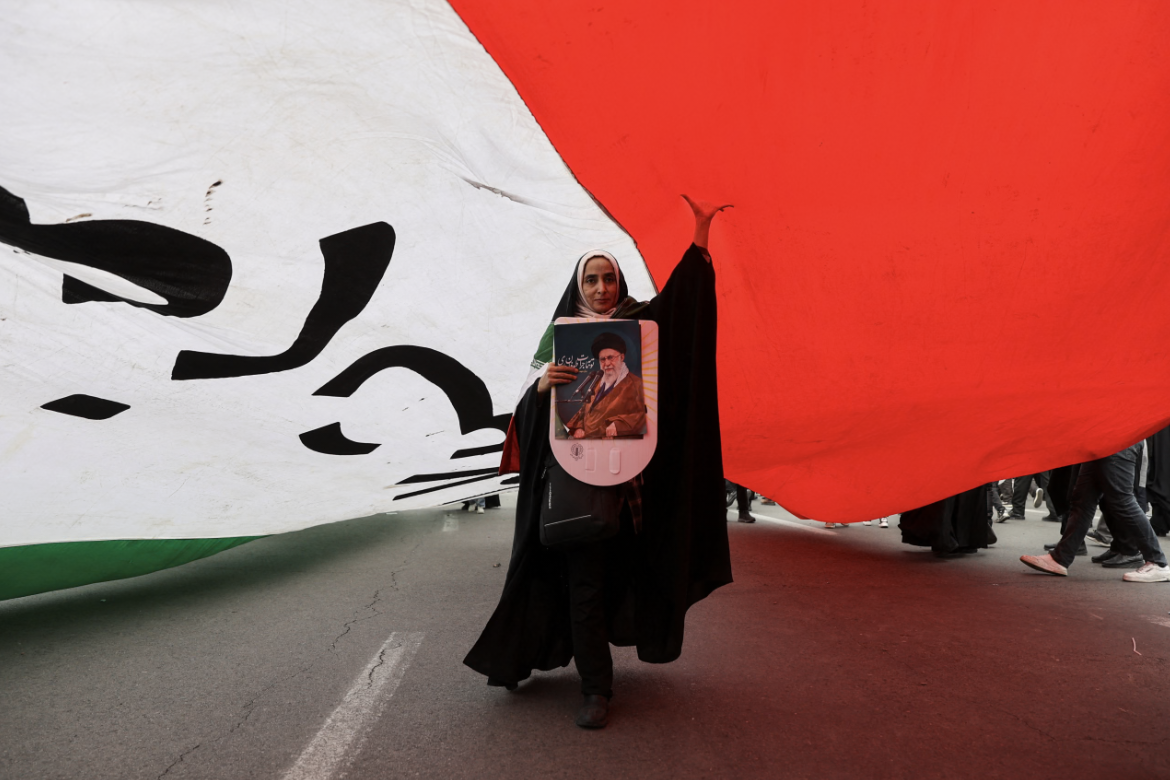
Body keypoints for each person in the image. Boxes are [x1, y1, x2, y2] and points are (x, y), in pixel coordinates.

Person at [464, 196, 733, 729]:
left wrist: (699, 241)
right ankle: (595, 688)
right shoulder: (558, 337)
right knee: (582, 584)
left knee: (622, 577)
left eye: (608, 279)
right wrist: (543, 389)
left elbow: (680, 311)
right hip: (575, 486)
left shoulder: (640, 325)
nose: (601, 289)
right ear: (578, 286)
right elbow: (524, 413)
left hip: (634, 489)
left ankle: (597, 663)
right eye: (591, 280)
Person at [1020, 441, 1170, 582]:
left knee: (1121, 500)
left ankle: (1158, 562)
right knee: (1082, 502)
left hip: (1115, 440)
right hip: (1100, 442)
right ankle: (1060, 558)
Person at [564, 332, 646, 439]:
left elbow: (644, 415)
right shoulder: (597, 382)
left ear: (622, 357)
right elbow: (585, 410)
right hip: (587, 441)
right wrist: (579, 427)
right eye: (602, 359)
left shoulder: (637, 384)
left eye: (611, 358)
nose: (606, 363)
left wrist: (618, 425)